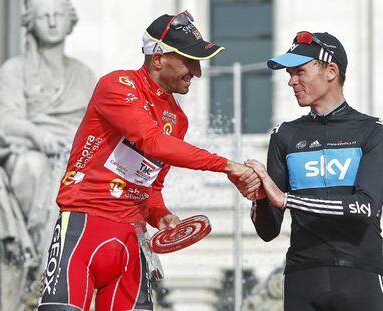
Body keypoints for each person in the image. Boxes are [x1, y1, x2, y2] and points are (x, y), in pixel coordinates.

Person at [37, 11, 257, 311]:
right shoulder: (116, 85)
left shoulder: (177, 119)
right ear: (158, 59)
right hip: (83, 228)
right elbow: (152, 141)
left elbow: (150, 188)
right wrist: (227, 165)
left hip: (132, 241)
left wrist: (161, 215)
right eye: (189, 61)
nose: (197, 71)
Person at [236, 31, 383, 311]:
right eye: (289, 74)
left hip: (360, 274)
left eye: (300, 71)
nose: (291, 81)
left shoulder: (373, 132)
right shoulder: (284, 135)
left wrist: (287, 199)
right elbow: (268, 231)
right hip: (303, 277)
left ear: (331, 71)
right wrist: (258, 196)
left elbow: (365, 207)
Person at [0, 0, 95, 309]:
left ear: (70, 22)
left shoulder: (84, 75)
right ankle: (39, 253)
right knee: (33, 165)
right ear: (30, 22)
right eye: (44, 16)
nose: (52, 22)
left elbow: (95, 126)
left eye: (58, 15)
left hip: (70, 155)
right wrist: (38, 136)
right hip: (28, 152)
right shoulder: (13, 71)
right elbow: (6, 120)